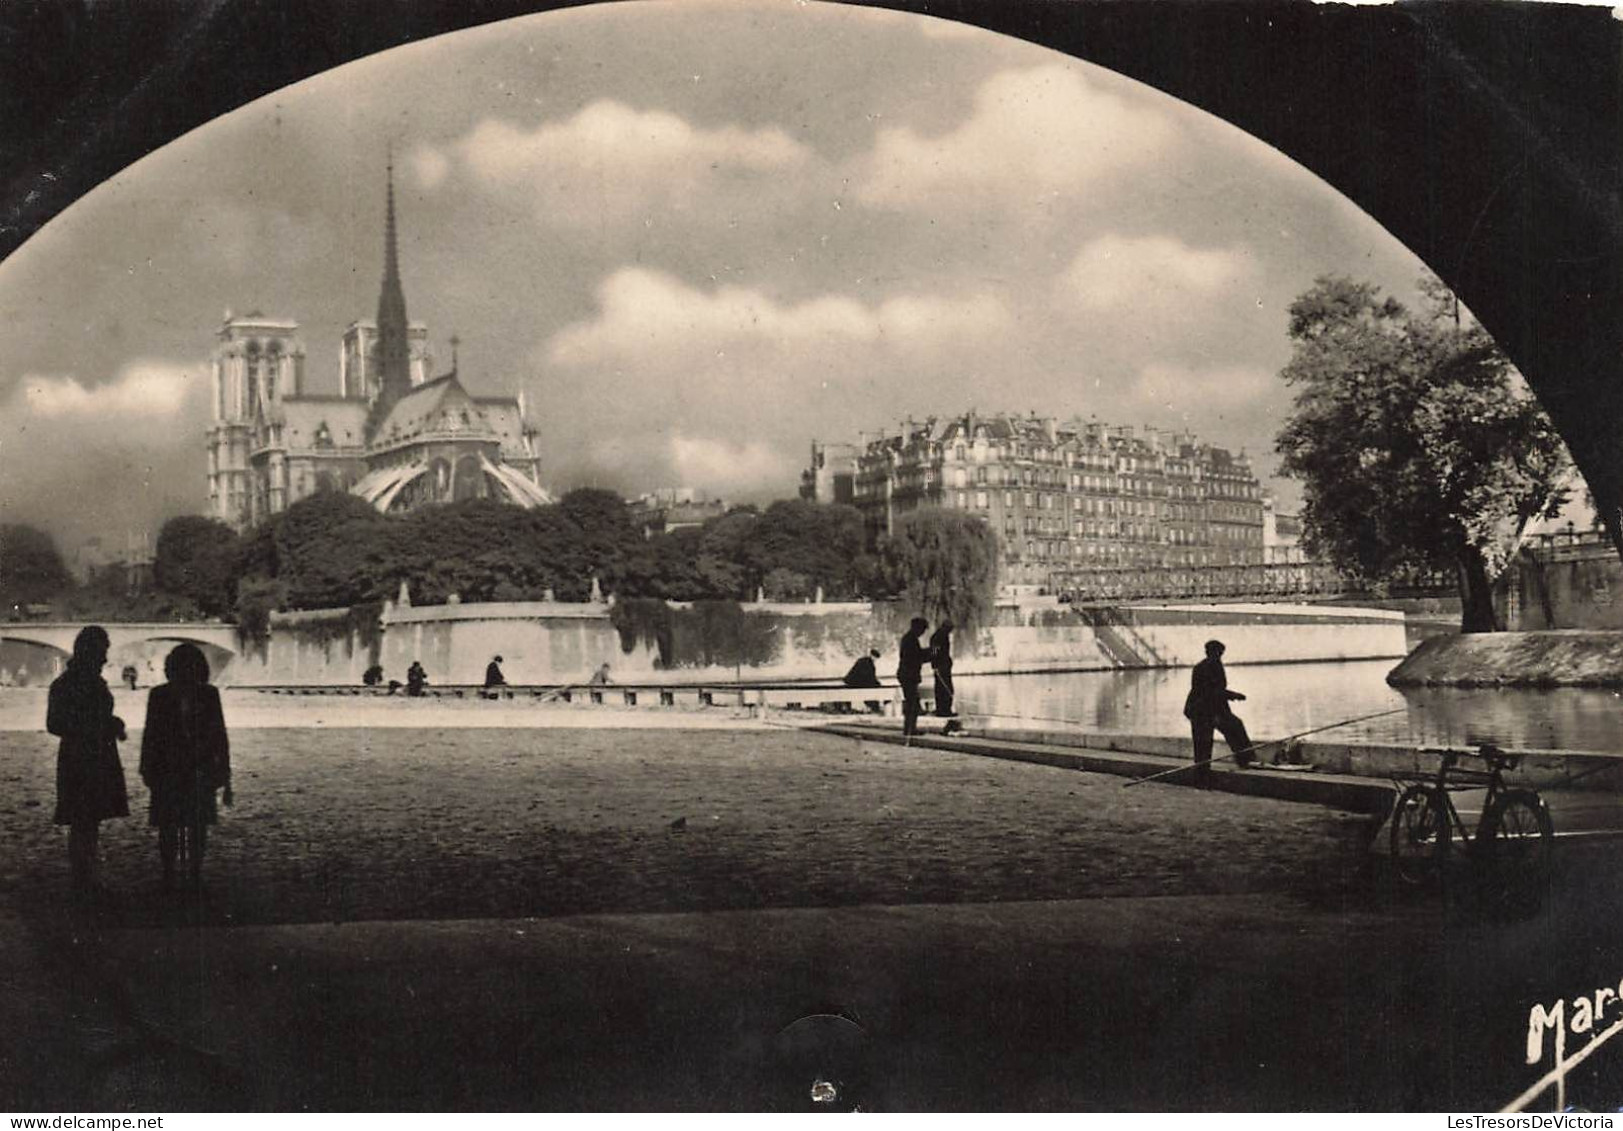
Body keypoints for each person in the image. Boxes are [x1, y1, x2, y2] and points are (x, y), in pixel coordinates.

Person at [139, 644, 232, 891]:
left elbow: (151, 736)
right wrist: (223, 768)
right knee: (188, 824)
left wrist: (146, 767)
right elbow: (218, 735)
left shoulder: (160, 695)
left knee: (181, 824)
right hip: (189, 768)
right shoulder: (207, 695)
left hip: (180, 769)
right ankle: (181, 872)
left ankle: (185, 872)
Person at [47, 625, 130, 895]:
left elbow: (56, 724)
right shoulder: (90, 684)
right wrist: (106, 725)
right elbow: (57, 723)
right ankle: (85, 878)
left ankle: (84, 877)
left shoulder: (63, 684)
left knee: (84, 819)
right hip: (91, 757)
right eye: (103, 652)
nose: (105, 658)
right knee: (87, 820)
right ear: (92, 652)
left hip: (76, 757)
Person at [1183, 639, 1255, 772]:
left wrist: (1230, 697)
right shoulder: (1208, 667)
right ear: (1211, 652)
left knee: (1234, 726)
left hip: (1211, 708)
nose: (1220, 655)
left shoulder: (1211, 665)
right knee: (1204, 744)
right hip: (1201, 710)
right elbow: (1211, 692)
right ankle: (1244, 760)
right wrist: (1234, 695)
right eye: (1219, 653)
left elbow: (1216, 692)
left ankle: (1245, 759)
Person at [896, 618, 931, 738]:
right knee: (912, 703)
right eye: (922, 630)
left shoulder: (909, 638)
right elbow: (917, 657)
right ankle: (910, 729)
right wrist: (934, 652)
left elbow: (918, 655)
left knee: (913, 702)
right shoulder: (910, 640)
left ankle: (910, 728)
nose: (922, 633)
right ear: (917, 628)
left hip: (907, 675)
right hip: (908, 675)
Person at [929, 620, 956, 718]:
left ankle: (945, 709)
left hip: (944, 665)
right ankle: (943, 710)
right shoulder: (938, 637)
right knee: (944, 688)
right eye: (950, 629)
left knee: (945, 688)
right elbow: (934, 651)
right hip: (941, 666)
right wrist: (935, 664)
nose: (950, 631)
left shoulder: (942, 636)